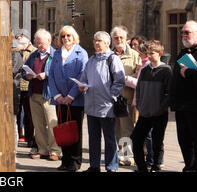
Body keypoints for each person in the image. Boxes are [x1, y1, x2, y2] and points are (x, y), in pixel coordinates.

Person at [79, 31, 125, 172]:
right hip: (92, 105)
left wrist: (111, 96)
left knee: (109, 139)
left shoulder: (113, 59)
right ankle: (94, 165)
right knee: (93, 139)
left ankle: (111, 166)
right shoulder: (91, 60)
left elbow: (119, 80)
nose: (96, 43)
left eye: (99, 40)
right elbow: (84, 78)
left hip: (107, 106)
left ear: (107, 43)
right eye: (95, 40)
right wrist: (82, 85)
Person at [48, 25, 88, 172]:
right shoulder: (57, 54)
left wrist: (71, 96)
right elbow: (51, 75)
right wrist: (57, 95)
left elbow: (82, 75)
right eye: (63, 36)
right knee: (63, 130)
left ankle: (75, 162)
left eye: (69, 36)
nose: (66, 38)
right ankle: (65, 160)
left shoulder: (81, 53)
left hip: (75, 100)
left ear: (74, 37)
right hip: (59, 99)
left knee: (74, 131)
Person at [130, 40, 172, 172]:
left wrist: (160, 108)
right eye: (147, 53)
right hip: (144, 112)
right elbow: (140, 89)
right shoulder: (145, 70)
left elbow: (169, 93)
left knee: (157, 142)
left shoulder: (166, 70)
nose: (149, 56)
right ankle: (141, 167)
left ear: (159, 54)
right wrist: (140, 106)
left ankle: (156, 166)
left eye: (152, 53)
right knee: (136, 139)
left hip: (159, 113)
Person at [22, 28, 61, 161]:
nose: (39, 46)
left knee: (52, 123)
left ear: (49, 41)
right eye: (37, 43)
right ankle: (42, 149)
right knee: (38, 124)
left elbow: (59, 73)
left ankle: (55, 150)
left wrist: (47, 74)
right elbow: (24, 70)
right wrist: (27, 75)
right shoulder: (33, 55)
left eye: (41, 43)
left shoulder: (56, 55)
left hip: (49, 94)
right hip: (34, 93)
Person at [170, 20, 197, 172]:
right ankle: (189, 167)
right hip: (182, 106)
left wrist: (189, 73)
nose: (183, 35)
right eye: (182, 32)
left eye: (187, 32)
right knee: (184, 141)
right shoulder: (183, 52)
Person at [111, 26, 141, 166]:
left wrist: (126, 78)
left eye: (121, 37)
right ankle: (121, 153)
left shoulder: (134, 55)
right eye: (116, 38)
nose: (119, 40)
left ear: (126, 39)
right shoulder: (108, 55)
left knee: (126, 128)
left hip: (126, 97)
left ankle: (126, 155)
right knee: (116, 128)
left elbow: (139, 74)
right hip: (111, 98)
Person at [15, 29, 36, 149]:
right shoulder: (15, 51)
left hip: (28, 86)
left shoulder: (33, 51)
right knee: (17, 113)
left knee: (29, 114)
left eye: (21, 37)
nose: (19, 39)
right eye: (18, 37)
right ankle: (18, 136)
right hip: (17, 86)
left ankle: (29, 138)